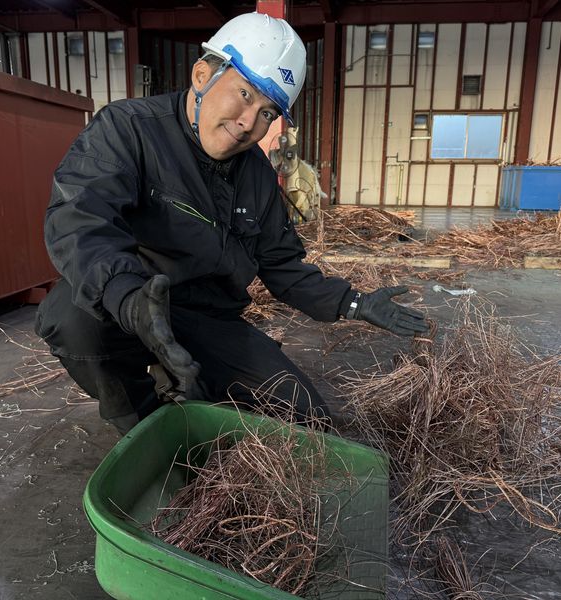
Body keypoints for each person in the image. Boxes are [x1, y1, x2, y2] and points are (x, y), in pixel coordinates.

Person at [35, 12, 429, 434]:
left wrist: (353, 303)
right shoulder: (128, 130)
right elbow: (81, 221)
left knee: (305, 416)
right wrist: (128, 299)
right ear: (202, 74)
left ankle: (196, 389)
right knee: (73, 319)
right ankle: (145, 421)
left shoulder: (257, 174)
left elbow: (282, 264)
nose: (248, 122)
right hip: (135, 301)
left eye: (267, 112)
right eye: (244, 93)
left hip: (210, 317)